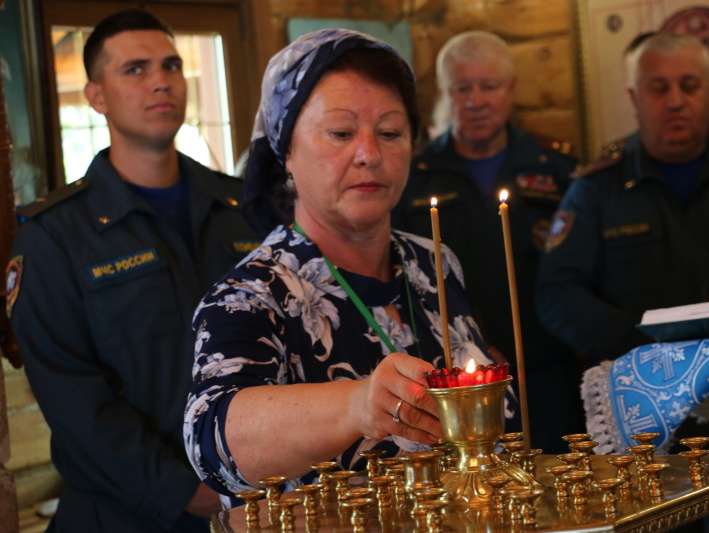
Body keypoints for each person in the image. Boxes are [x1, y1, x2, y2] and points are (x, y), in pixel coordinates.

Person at [183, 29, 520, 503]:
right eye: (340, 133)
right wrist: (359, 404)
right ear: (287, 154)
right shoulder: (251, 293)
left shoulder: (433, 261)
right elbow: (212, 440)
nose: (369, 154)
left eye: (390, 133)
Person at [6, 10, 259, 532]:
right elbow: (72, 396)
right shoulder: (55, 234)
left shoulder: (241, 209)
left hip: (252, 495)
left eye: (170, 65)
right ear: (96, 96)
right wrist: (183, 488)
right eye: (135, 69)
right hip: (128, 512)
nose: (161, 81)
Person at [536, 32, 709, 366]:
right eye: (659, 88)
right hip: (645, 383)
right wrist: (647, 344)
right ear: (634, 97)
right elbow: (557, 296)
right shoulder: (596, 190)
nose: (675, 101)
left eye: (689, 85)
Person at [391, 31, 583, 452]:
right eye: (462, 89)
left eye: (489, 86)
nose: (475, 101)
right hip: (455, 384)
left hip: (548, 374)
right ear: (444, 93)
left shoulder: (558, 170)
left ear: (511, 90)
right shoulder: (415, 175)